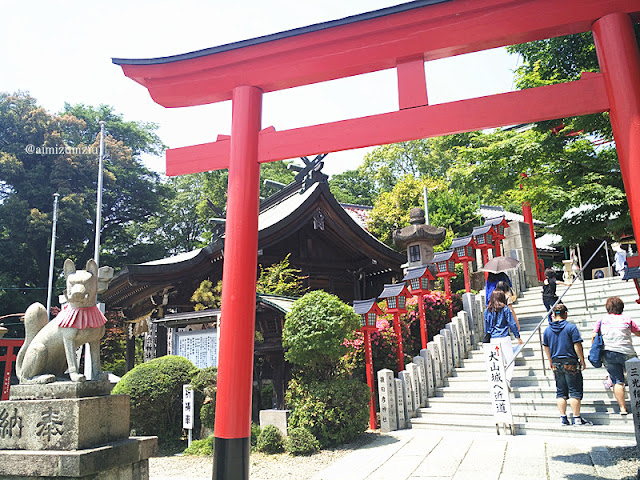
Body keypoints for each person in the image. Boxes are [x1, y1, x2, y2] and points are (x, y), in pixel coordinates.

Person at [543, 303, 592, 426]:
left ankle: (563, 418)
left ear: (553, 315)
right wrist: (582, 359)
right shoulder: (571, 328)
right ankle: (577, 418)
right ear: (565, 314)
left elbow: (546, 347)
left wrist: (550, 361)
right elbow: (577, 345)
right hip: (570, 362)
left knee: (561, 392)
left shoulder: (547, 330)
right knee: (574, 391)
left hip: (556, 362)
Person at [592, 296, 640, 415]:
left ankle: (623, 408)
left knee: (617, 381)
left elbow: (594, 336)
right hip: (627, 352)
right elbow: (638, 332)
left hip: (608, 352)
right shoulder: (627, 319)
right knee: (636, 378)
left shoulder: (602, 320)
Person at [485, 289, 522, 385]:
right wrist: (518, 337)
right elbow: (512, 323)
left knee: (498, 361)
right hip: (504, 337)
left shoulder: (487, 310)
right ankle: (507, 379)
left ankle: (499, 380)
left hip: (493, 338)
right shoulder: (505, 309)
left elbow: (487, 327)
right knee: (510, 360)